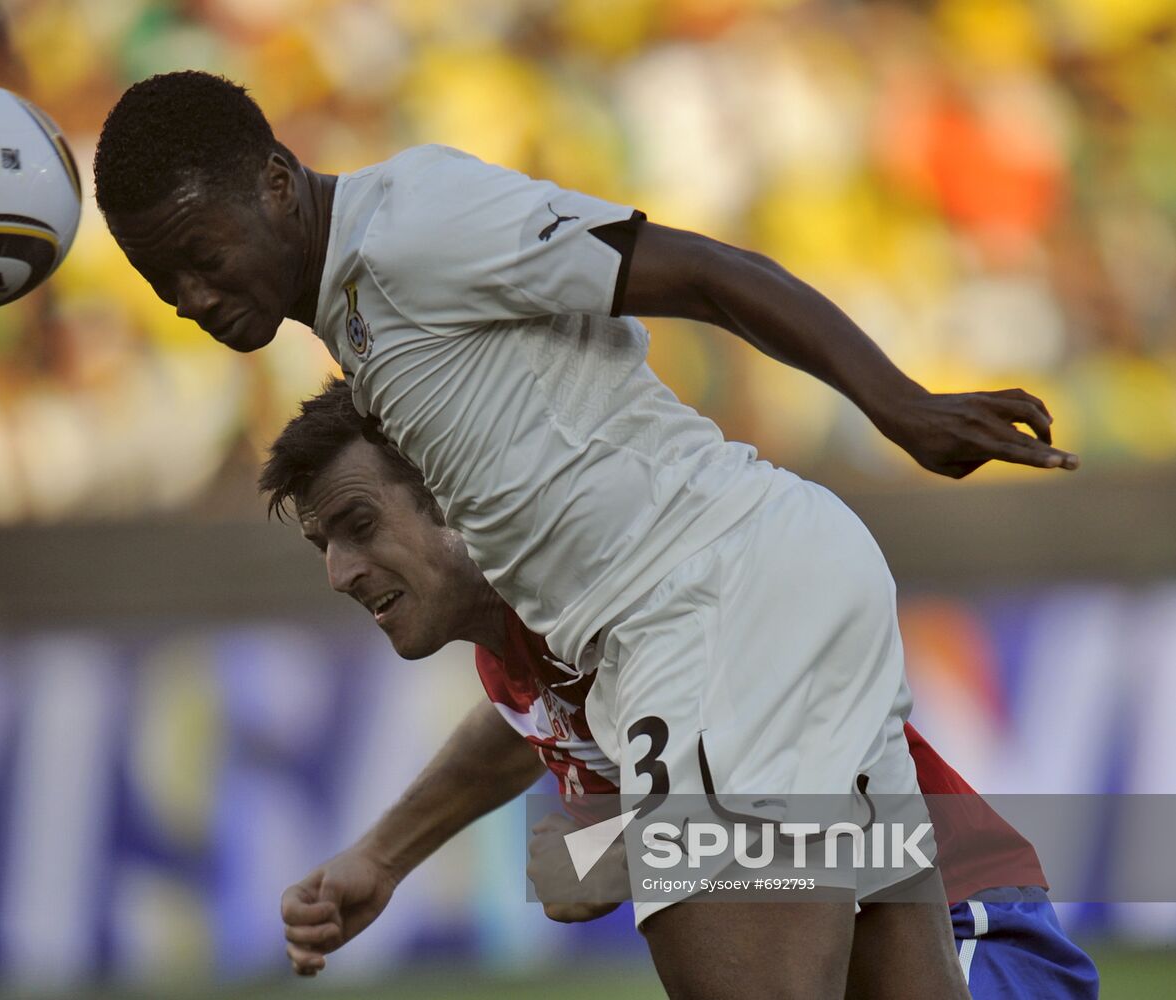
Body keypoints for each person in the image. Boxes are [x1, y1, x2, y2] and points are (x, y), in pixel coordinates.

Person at [94, 70, 1079, 999]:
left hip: (706, 601)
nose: (188, 298)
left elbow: (700, 271)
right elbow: (525, 747)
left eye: (202, 259)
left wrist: (898, 405)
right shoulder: (360, 303)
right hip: (747, 594)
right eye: (159, 281)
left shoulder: (411, 222)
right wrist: (386, 857)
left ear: (275, 186)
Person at [262, 379, 1099, 998]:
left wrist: (608, 852)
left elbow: (769, 807)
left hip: (966, 922)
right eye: (320, 545)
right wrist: (382, 855)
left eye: (360, 526)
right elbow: (514, 727)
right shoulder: (516, 650)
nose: (338, 572)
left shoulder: (638, 594)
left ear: (448, 497)